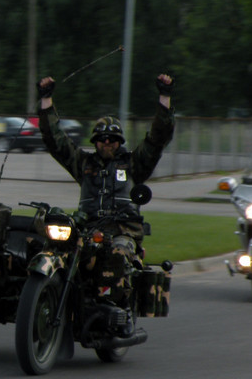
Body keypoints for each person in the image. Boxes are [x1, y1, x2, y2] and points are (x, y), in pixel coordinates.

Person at [36, 74, 175, 337]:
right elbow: (56, 140)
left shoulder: (134, 164)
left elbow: (158, 139)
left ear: (120, 141)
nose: (106, 142)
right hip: (88, 230)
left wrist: (165, 97)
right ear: (95, 141)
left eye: (112, 139)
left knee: (119, 253)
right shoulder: (84, 165)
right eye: (101, 138)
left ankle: (115, 307)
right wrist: (46, 99)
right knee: (51, 244)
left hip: (123, 231)